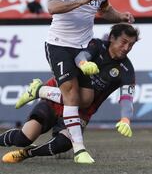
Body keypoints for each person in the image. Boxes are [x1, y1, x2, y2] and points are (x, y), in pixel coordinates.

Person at [15, 0, 134, 164]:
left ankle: (39, 90)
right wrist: (81, 1)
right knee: (70, 94)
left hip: (83, 47)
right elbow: (52, 8)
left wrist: (121, 17)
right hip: (59, 44)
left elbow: (105, 10)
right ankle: (79, 150)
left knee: (85, 98)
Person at [3, 23, 139, 164]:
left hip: (82, 112)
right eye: (124, 42)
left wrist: (125, 119)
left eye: (131, 45)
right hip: (58, 98)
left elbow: (127, 99)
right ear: (112, 38)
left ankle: (27, 153)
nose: (126, 48)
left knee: (62, 144)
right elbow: (81, 56)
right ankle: (40, 92)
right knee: (24, 138)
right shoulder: (97, 45)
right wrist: (83, 63)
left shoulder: (127, 70)